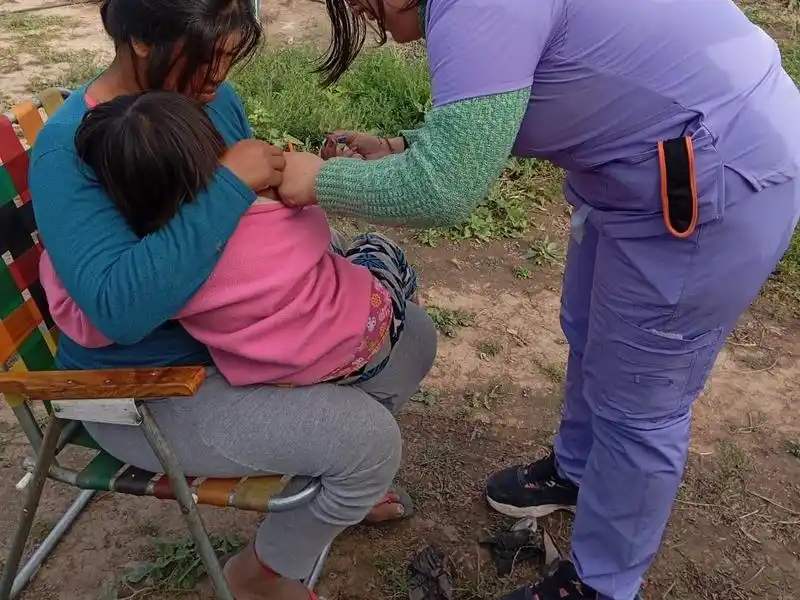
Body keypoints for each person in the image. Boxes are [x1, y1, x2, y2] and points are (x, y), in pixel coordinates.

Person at [275, 1, 800, 599]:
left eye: (364, 6)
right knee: (588, 330)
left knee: (640, 400)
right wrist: (404, 145)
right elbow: (492, 114)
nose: (374, 20)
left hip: (709, 176)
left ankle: (603, 585)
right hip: (641, 168)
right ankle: (576, 471)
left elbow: (444, 190)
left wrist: (316, 180)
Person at [29, 1, 436, 599]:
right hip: (149, 387)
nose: (219, 76)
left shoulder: (206, 98)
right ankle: (262, 574)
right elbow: (117, 310)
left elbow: (247, 233)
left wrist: (296, 184)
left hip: (240, 342)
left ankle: (328, 493)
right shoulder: (74, 151)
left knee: (414, 339)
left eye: (229, 53)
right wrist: (226, 187)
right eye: (207, 55)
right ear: (142, 37)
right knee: (370, 443)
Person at [39, 91, 418, 388]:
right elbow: (316, 229)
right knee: (376, 247)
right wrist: (306, 179)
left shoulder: (163, 266)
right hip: (368, 338)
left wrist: (58, 263)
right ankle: (406, 304)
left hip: (281, 374)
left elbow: (90, 320)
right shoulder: (265, 214)